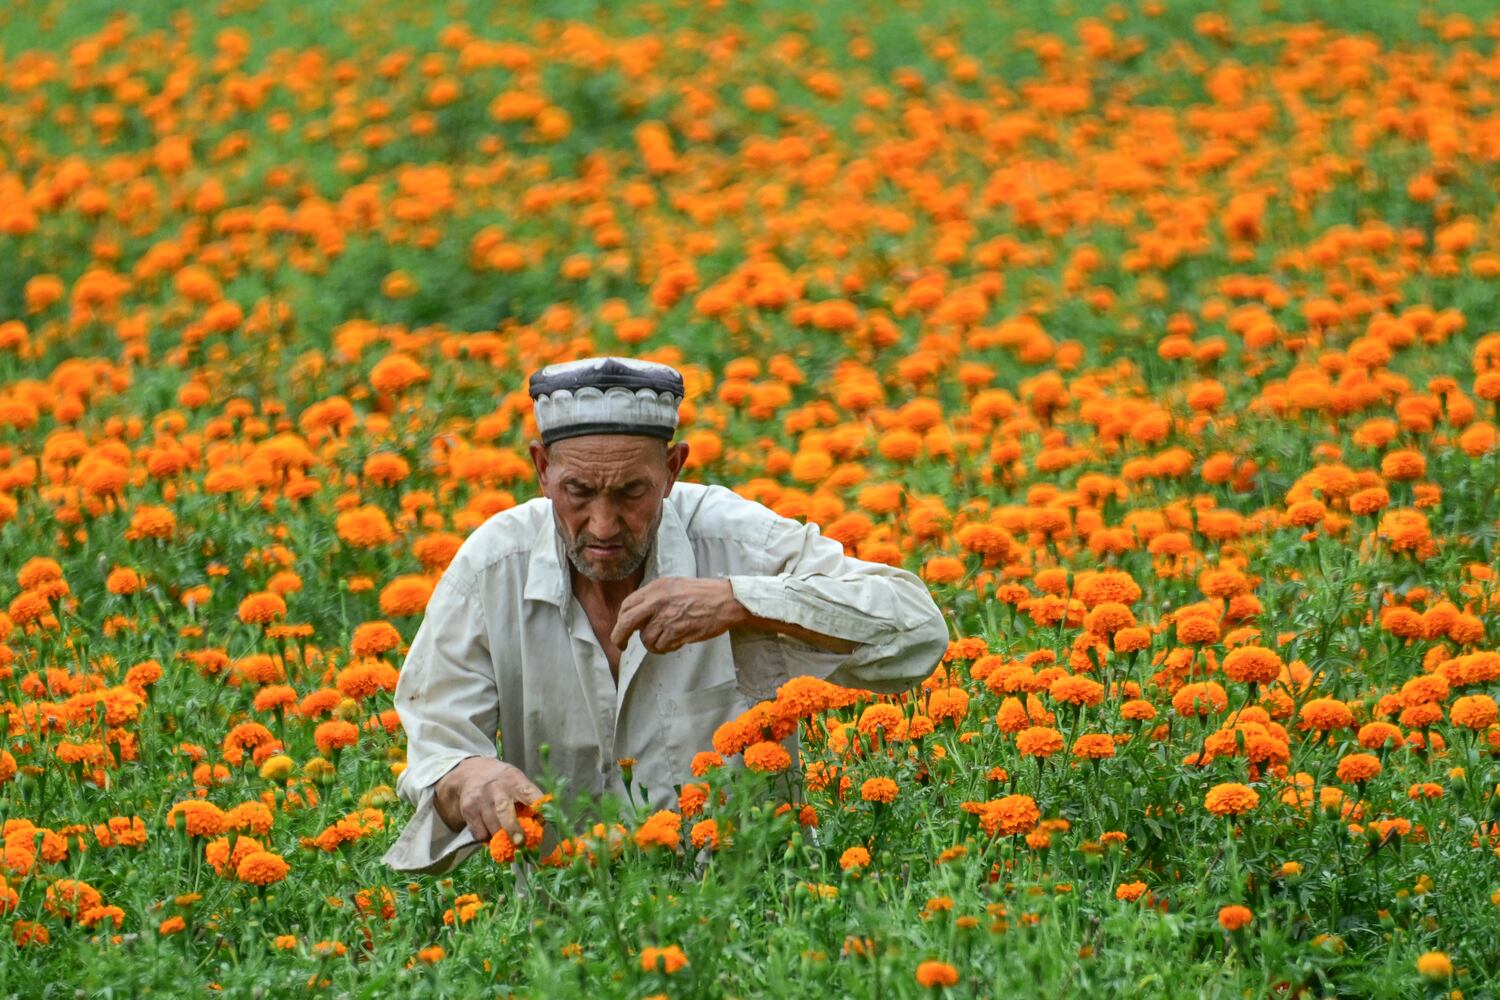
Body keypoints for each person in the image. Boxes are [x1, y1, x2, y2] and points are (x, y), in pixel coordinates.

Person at [381, 356, 949, 874]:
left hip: (746, 909)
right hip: (569, 918)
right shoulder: (492, 567)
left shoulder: (735, 541)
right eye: (579, 491)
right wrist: (469, 777)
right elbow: (438, 746)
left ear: (673, 469)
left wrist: (739, 602)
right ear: (542, 468)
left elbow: (918, 630)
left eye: (632, 492)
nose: (603, 525)